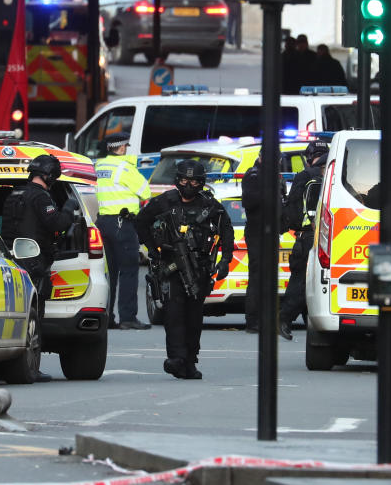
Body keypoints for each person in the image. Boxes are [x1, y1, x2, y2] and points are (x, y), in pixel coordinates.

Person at [137, 160, 234, 379]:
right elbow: (141, 222)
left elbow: (227, 231)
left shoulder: (210, 206)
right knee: (173, 314)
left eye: (193, 181)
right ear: (177, 180)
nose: (188, 184)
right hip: (171, 266)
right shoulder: (164, 202)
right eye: (184, 180)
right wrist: (153, 249)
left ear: (201, 183)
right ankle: (177, 358)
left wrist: (226, 260)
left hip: (199, 269)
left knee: (194, 317)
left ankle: (189, 361)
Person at [1, 153, 79, 382]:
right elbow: (56, 224)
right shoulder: (41, 198)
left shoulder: (12, 196)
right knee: (34, 317)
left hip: (11, 261)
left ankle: (13, 365)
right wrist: (68, 209)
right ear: (50, 175)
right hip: (34, 262)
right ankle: (31, 368)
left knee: (17, 314)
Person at [94, 132, 152, 329]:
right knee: (128, 271)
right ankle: (127, 318)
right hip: (123, 224)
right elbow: (146, 192)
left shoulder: (99, 166)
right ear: (121, 148)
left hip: (103, 223)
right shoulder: (125, 168)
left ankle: (107, 316)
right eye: (126, 146)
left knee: (108, 272)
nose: (127, 149)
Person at [278, 139, 330, 340]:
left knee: (303, 281)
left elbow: (291, 211)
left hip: (306, 236)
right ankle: (285, 318)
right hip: (316, 237)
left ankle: (290, 319)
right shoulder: (325, 177)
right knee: (306, 282)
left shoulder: (305, 176)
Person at [240, 148, 287, 333]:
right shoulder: (253, 175)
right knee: (258, 277)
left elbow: (280, 202)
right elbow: (249, 201)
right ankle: (253, 321)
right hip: (257, 232)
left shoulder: (276, 176)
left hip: (272, 232)